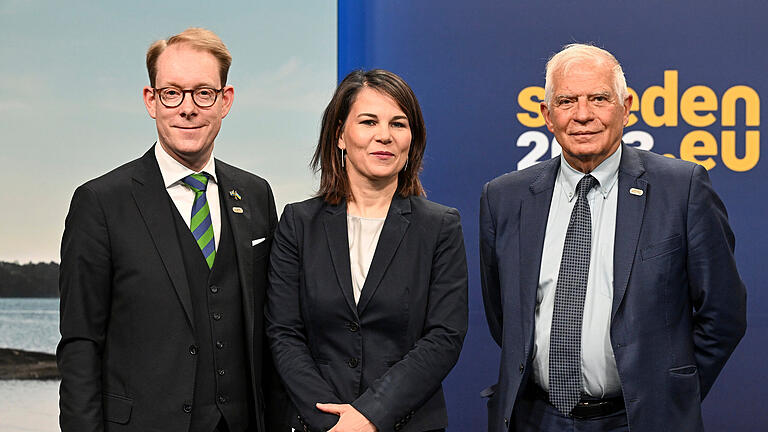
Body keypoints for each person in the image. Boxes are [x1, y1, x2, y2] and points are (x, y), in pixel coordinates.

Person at [479, 44, 746, 432]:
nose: (583, 115)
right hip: (536, 419)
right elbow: (503, 316)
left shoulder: (682, 188)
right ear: (547, 115)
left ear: (626, 106)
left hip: (640, 420)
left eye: (599, 99)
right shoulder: (504, 197)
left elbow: (723, 314)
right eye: (567, 101)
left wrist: (669, 394)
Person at [57, 28, 281, 432]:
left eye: (203, 93)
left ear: (225, 101)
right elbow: (80, 344)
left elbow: (273, 329)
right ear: (151, 100)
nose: (188, 108)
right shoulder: (100, 202)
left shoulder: (256, 194)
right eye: (172, 93)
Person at [266, 69, 468, 432]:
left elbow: (444, 337)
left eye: (398, 123)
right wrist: (331, 422)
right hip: (315, 425)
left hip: (406, 423)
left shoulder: (440, 226)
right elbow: (283, 333)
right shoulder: (298, 222)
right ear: (341, 134)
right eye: (369, 121)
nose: (384, 136)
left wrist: (370, 416)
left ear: (413, 139)